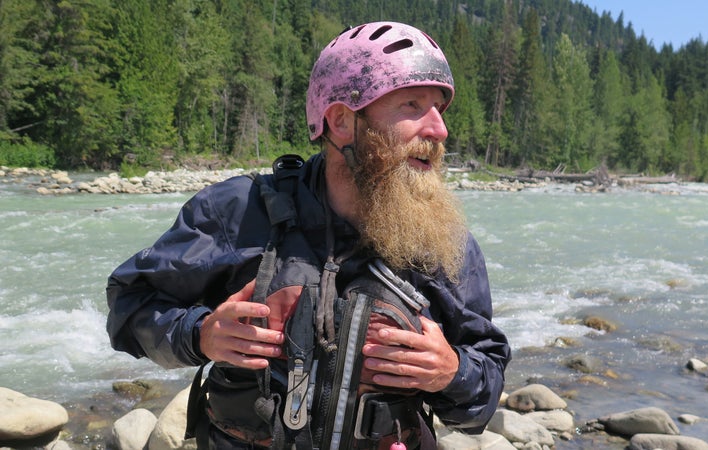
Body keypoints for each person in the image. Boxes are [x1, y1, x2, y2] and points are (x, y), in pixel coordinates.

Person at [106, 21, 510, 450]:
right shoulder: (239, 211)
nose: (438, 130)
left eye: (438, 109)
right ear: (340, 121)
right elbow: (129, 306)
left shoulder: (442, 240)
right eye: (411, 105)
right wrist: (199, 334)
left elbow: (482, 391)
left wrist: (451, 373)